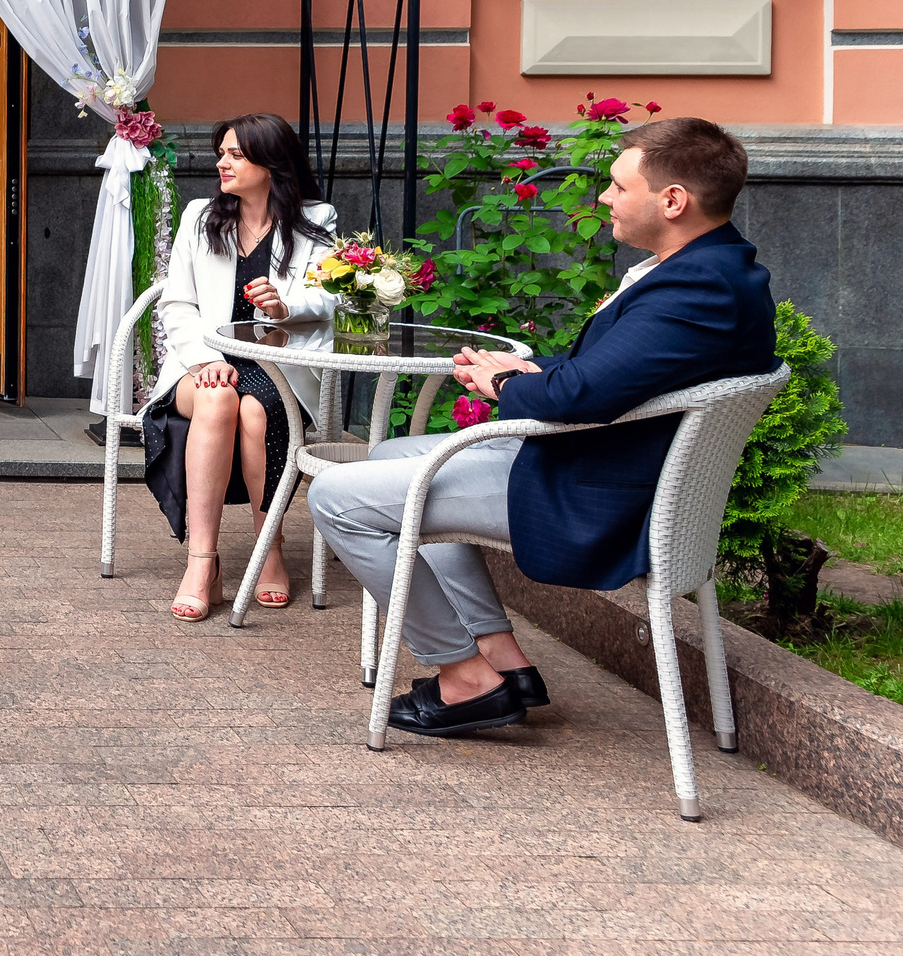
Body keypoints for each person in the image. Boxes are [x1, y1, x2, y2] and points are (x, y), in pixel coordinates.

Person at [310, 116, 777, 738]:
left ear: (672, 201)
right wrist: (526, 367)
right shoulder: (714, 268)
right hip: (602, 464)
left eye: (617, 187)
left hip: (594, 497)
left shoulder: (698, 288)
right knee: (393, 452)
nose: (604, 199)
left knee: (334, 497)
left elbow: (581, 395)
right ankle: (503, 658)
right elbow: (614, 373)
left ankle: (465, 678)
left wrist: (504, 383)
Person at [141, 114, 339, 621]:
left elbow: (334, 294)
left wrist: (285, 307)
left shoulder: (317, 220)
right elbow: (176, 305)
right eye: (221, 153)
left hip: (277, 366)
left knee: (255, 411)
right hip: (202, 364)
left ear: (271, 164)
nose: (221, 163)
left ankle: (267, 543)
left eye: (235, 155)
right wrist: (207, 360)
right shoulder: (200, 216)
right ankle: (202, 561)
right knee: (218, 395)